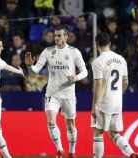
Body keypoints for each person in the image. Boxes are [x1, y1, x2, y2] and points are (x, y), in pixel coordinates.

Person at [25, 26, 88, 158]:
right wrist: (30, 65)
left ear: (66, 37)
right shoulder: (48, 51)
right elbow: (36, 70)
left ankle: (72, 151)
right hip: (52, 94)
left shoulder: (74, 52)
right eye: (55, 36)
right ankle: (59, 149)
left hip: (68, 94)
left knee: (70, 125)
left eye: (59, 36)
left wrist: (76, 77)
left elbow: (85, 71)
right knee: (51, 122)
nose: (57, 38)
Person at [91, 32, 138, 158]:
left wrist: (95, 105)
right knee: (114, 133)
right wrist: (119, 95)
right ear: (110, 43)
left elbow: (99, 85)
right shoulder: (121, 59)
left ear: (96, 44)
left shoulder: (97, 62)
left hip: (104, 102)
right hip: (117, 102)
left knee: (98, 132)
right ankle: (131, 153)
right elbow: (125, 82)